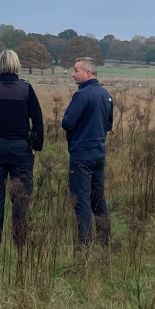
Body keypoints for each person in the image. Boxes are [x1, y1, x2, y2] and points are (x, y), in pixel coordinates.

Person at [0, 49, 44, 249]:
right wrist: (36, 145)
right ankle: (19, 241)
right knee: (20, 196)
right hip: (21, 149)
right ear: (17, 65)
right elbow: (37, 120)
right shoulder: (26, 89)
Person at [61, 56, 114, 248]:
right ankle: (104, 241)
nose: (73, 74)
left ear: (88, 73)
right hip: (99, 155)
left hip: (81, 157)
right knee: (98, 200)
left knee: (81, 200)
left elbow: (67, 123)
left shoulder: (81, 96)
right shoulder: (105, 95)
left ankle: (83, 245)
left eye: (76, 70)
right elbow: (108, 124)